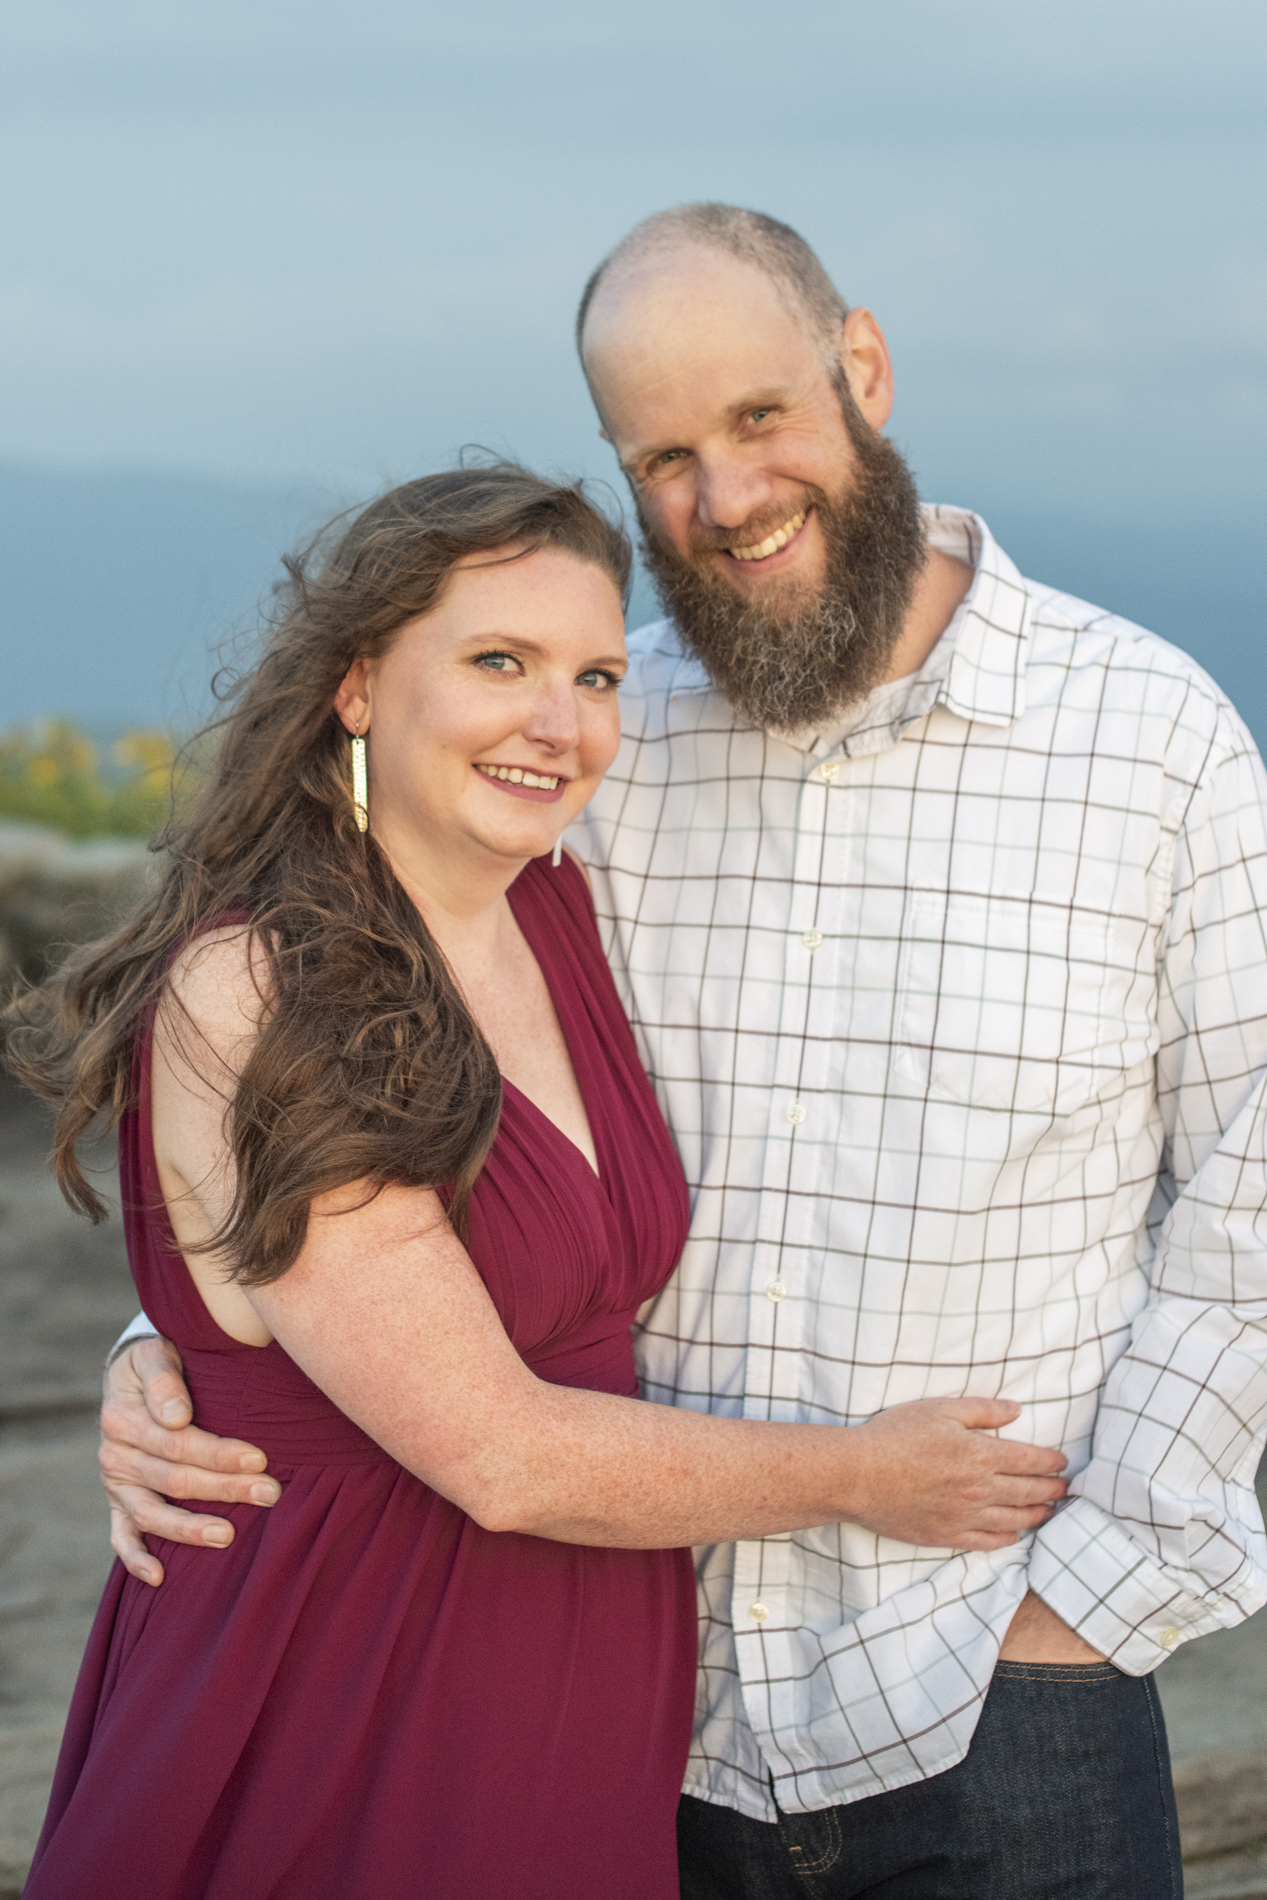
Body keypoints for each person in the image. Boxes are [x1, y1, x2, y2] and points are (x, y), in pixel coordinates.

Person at [99, 207, 1267, 1897]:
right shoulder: (599, 754)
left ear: (860, 368)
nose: (726, 497)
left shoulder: (1151, 742)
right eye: (664, 454)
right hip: (660, 1704)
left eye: (760, 418)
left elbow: (1247, 1192)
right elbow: (372, 1073)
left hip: (999, 1691)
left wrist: (1087, 1599)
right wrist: (185, 1330)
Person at [8, 462, 1066, 1900]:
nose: (560, 725)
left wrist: (157, 1348)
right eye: (499, 662)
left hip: (577, 1678)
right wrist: (873, 1475)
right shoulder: (258, 986)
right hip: (345, 1679)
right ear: (362, 684)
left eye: (598, 675)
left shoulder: (555, 912)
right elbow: (497, 1454)